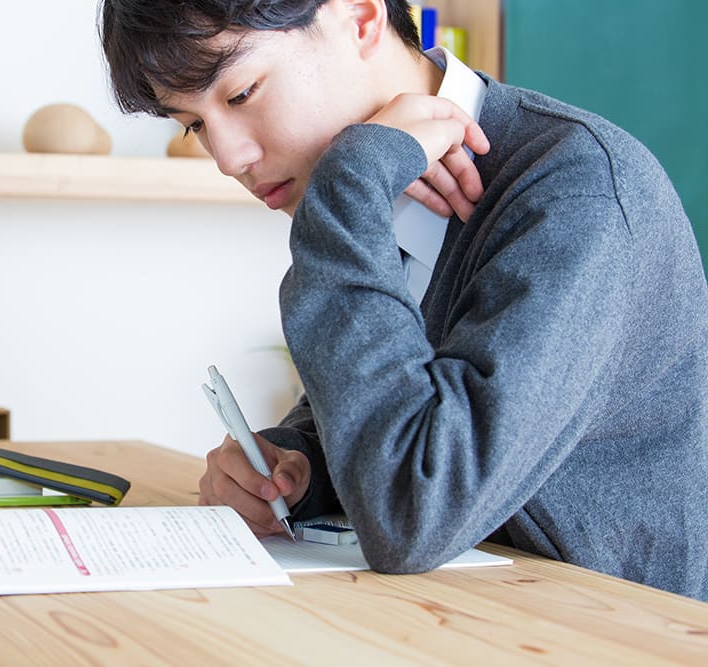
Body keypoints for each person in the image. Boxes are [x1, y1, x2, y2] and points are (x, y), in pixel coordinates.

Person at [99, 0, 708, 601]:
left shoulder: (577, 190)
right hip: (455, 621)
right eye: (196, 124)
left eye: (240, 94)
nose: (229, 158)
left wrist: (349, 187)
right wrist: (298, 464)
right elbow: (407, 414)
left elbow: (415, 510)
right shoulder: (387, 180)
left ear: (359, 18)